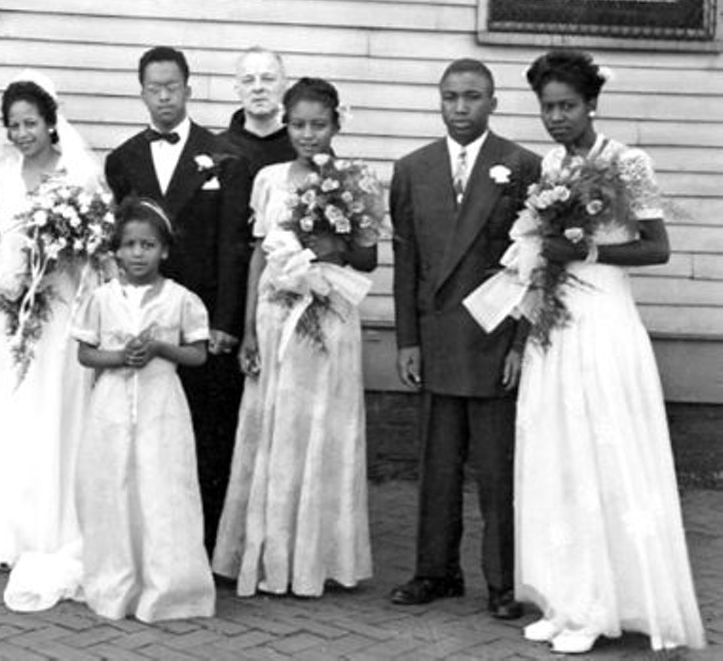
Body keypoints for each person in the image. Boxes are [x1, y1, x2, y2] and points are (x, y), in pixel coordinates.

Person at [512, 50, 704, 654]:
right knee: (559, 453)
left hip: (603, 316)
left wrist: (589, 254)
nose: (558, 118)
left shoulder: (626, 162)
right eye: (548, 108)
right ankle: (566, 600)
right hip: (557, 320)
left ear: (592, 103)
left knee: (601, 453)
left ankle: (604, 607)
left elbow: (658, 247)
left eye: (568, 106)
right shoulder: (549, 165)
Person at [388, 59, 540, 620]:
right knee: (437, 464)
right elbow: (407, 262)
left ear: (493, 103)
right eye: (450, 97)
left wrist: (522, 343)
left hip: (493, 338)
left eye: (472, 97)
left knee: (497, 469)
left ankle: (502, 581)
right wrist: (407, 339)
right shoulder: (412, 169)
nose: (459, 107)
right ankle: (435, 571)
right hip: (435, 338)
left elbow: (534, 267)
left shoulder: (522, 165)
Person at [213, 78, 376, 597]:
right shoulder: (269, 177)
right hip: (276, 309)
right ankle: (264, 554)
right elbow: (259, 253)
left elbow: (369, 257)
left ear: (337, 123)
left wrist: (332, 244)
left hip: (328, 311)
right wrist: (247, 333)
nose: (308, 134)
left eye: (319, 125)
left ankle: (317, 556)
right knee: (272, 424)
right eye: (299, 124)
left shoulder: (358, 180)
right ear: (286, 123)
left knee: (323, 425)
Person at [0, 73, 100, 610]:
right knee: (9, 405)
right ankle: (0, 529)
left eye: (31, 123)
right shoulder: (2, 168)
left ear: (51, 122)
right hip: (9, 302)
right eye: (13, 125)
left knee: (51, 407)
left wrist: (57, 252)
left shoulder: (77, 172)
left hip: (58, 302)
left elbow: (94, 244)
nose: (21, 134)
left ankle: (49, 525)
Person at [104, 46, 251, 550]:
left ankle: (203, 544)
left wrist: (227, 320)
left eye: (172, 86)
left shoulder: (226, 157)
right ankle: (144, 538)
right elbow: (122, 246)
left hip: (201, 321)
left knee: (206, 432)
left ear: (188, 89)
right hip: (142, 320)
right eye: (153, 87)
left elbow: (234, 246)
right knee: (144, 432)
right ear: (141, 91)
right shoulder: (122, 160)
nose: (164, 96)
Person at [71, 197, 215, 622]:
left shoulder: (181, 299)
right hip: (112, 408)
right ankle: (117, 581)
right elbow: (85, 354)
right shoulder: (101, 298)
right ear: (116, 249)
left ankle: (169, 588)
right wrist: (119, 358)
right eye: (130, 244)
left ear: (165, 250)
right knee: (113, 487)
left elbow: (197, 355)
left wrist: (160, 348)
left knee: (162, 488)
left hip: (161, 407)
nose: (138, 253)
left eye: (148, 245)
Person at [216, 47, 296, 175]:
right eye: (248, 80)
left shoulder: (305, 149)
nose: (258, 88)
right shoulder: (216, 150)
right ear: (237, 89)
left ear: (285, 85)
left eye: (267, 79)